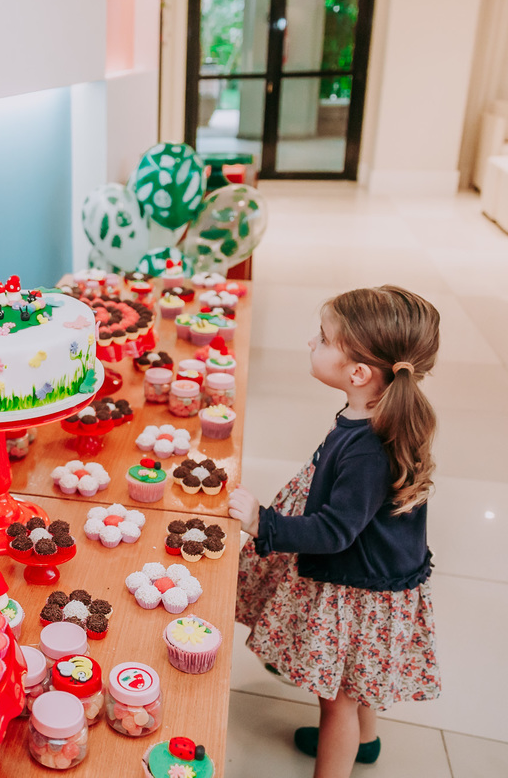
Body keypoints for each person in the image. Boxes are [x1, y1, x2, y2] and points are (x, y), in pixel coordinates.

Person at [228, 286, 441, 778]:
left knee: (337, 702)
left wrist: (265, 522)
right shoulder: (375, 412)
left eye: (322, 339)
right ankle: (366, 742)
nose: (310, 343)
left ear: (359, 373)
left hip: (359, 587)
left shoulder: (369, 447)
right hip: (379, 577)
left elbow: (335, 532)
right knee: (357, 681)